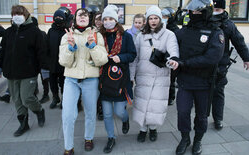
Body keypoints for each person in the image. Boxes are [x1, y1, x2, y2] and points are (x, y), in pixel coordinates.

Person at [174, 0, 225, 154]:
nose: (194, 14)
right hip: (185, 82)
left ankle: (197, 140)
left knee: (201, 116)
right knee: (182, 112)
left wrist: (185, 63)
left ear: (206, 12)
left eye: (197, 12)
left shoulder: (216, 32)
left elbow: (212, 58)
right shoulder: (185, 30)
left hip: (205, 83)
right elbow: (169, 41)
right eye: (192, 12)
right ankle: (185, 138)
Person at [59, 8, 108, 155]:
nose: (82, 17)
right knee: (67, 115)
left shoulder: (97, 35)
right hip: (71, 80)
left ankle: (88, 138)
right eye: (79, 15)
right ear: (74, 19)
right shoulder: (66, 36)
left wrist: (92, 46)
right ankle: (68, 147)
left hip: (90, 80)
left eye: (85, 15)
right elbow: (63, 62)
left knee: (90, 112)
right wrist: (71, 47)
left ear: (89, 19)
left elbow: (102, 60)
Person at [0, 5, 48, 137]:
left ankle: (39, 111)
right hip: (11, 73)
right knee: (17, 100)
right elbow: (3, 51)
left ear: (26, 15)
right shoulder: (8, 32)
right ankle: (23, 124)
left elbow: (41, 52)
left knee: (27, 98)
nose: (16, 16)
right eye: (14, 14)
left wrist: (44, 69)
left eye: (19, 14)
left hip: (28, 72)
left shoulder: (34, 32)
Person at [130, 6, 179, 143]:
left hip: (161, 76)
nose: (153, 21)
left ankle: (152, 129)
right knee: (142, 104)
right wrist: (131, 76)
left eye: (155, 18)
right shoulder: (140, 36)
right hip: (143, 75)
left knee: (154, 106)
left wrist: (173, 60)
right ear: (147, 20)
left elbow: (173, 51)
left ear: (160, 19)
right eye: (150, 18)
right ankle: (142, 129)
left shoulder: (169, 34)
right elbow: (135, 57)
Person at [99, 5, 137, 153]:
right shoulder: (99, 36)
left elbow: (132, 54)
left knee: (120, 111)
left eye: (111, 18)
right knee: (108, 113)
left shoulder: (126, 36)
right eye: (105, 19)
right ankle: (111, 138)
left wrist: (119, 57)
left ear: (116, 20)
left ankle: (125, 119)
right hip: (104, 79)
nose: (108, 21)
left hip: (120, 78)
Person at [208, 0, 249, 130]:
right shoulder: (205, 21)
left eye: (218, 9)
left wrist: (246, 58)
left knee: (218, 92)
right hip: (204, 63)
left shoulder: (228, 24)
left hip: (221, 64)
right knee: (202, 91)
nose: (215, 12)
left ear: (222, 9)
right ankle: (201, 117)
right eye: (213, 9)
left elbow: (239, 41)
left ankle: (218, 119)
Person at [47, 7, 73, 109]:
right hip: (52, 62)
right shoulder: (51, 31)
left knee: (63, 83)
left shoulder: (68, 31)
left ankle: (63, 100)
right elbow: (47, 46)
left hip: (63, 63)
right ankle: (55, 98)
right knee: (52, 83)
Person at [161, 7, 180, 106]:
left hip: (170, 57)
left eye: (165, 17)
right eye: (162, 16)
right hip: (161, 56)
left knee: (171, 79)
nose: (163, 18)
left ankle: (170, 97)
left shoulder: (175, 30)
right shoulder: (161, 27)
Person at [31, 17, 50, 104]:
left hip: (41, 61)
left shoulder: (41, 34)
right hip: (34, 61)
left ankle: (45, 95)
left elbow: (46, 48)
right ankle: (35, 93)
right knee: (34, 78)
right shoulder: (30, 34)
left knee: (44, 79)